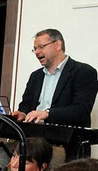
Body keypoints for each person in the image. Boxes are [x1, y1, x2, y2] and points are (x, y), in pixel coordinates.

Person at [11, 29, 98, 160]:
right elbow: (26, 106)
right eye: (34, 49)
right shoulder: (36, 76)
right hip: (31, 139)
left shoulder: (84, 72)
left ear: (58, 45)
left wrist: (47, 113)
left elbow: (81, 110)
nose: (37, 52)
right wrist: (22, 113)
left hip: (63, 142)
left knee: (46, 165)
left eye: (41, 47)